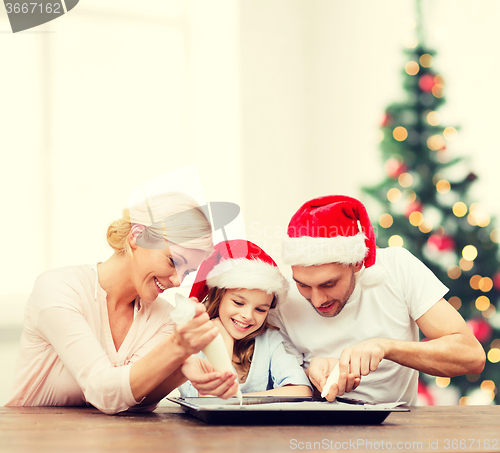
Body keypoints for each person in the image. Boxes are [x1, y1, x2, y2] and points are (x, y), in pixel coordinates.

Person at [6, 191, 237, 414]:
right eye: (173, 261)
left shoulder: (164, 317)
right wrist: (177, 348)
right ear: (137, 235)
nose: (177, 281)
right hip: (33, 437)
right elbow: (103, 392)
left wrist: (179, 371)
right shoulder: (59, 289)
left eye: (187, 272)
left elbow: (129, 401)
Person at [270, 195, 486, 405]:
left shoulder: (397, 267)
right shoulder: (283, 299)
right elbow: (274, 386)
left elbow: (471, 356)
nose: (317, 300)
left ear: (357, 262)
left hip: (395, 430)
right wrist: (311, 375)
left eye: (329, 284)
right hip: (314, 434)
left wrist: (386, 348)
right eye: (304, 286)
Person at [178, 239, 312, 397]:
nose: (248, 316)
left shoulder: (269, 340)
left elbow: (301, 391)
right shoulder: (192, 343)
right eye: (238, 302)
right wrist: (224, 347)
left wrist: (237, 399)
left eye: (260, 309)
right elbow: (207, 399)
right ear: (218, 297)